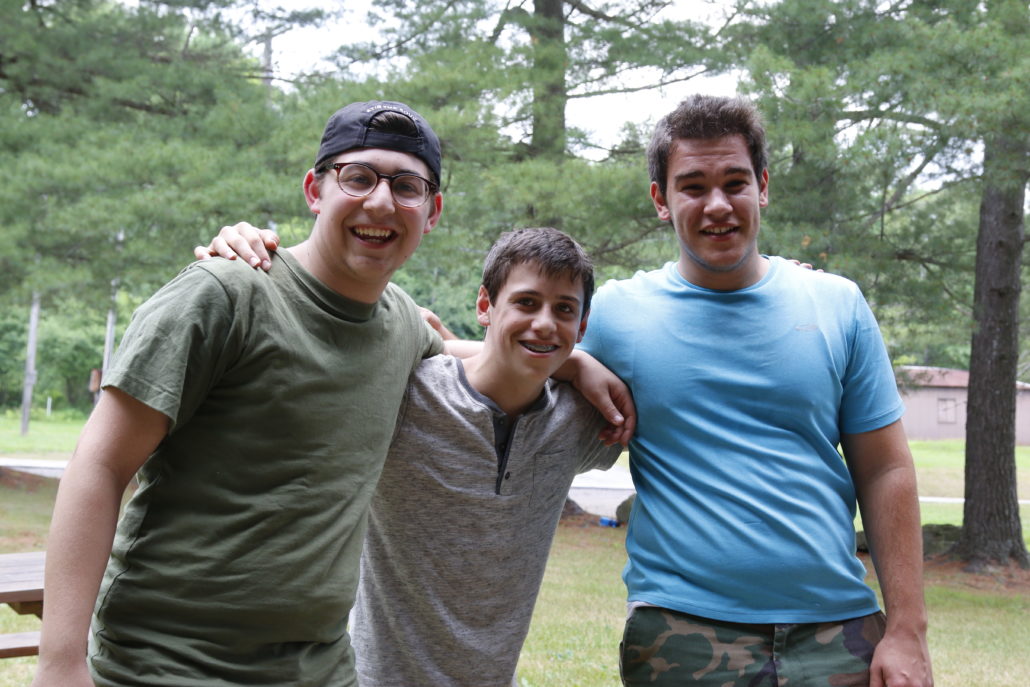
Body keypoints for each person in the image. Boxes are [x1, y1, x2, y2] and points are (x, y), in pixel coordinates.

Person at [31, 100, 448, 687]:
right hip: (168, 665)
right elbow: (98, 465)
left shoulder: (404, 326)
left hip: (320, 669)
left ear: (431, 213)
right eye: (358, 177)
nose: (381, 202)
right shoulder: (224, 294)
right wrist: (58, 664)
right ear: (315, 190)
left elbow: (482, 361)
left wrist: (571, 361)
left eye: (407, 186)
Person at [576, 95, 933, 686]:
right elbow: (512, 357)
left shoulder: (837, 304)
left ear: (762, 186)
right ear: (661, 200)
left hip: (837, 634)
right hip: (681, 637)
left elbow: (885, 469)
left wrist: (907, 630)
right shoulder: (618, 314)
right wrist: (572, 363)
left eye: (735, 182)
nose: (717, 205)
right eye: (693, 186)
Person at [196, 225, 623, 686]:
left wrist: (577, 363)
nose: (544, 323)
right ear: (485, 306)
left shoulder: (583, 418)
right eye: (526, 302)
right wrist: (247, 254)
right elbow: (306, 338)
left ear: (582, 326)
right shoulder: (405, 389)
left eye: (564, 309)